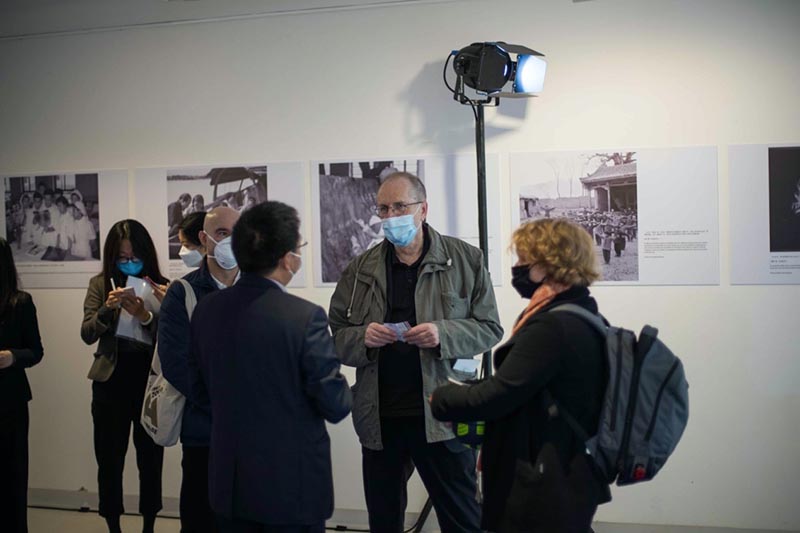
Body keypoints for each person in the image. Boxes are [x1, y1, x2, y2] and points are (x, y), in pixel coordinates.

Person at [328, 172, 503, 533]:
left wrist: (444, 333)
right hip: (380, 417)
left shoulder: (465, 260)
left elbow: (490, 329)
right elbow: (337, 337)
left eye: (400, 206)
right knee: (384, 520)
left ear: (423, 209)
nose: (391, 216)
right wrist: (363, 337)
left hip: (443, 414)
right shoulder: (360, 270)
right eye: (383, 208)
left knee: (463, 518)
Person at [430, 217, 610, 533]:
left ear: (550, 263)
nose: (518, 267)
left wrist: (442, 397)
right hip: (565, 469)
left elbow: (500, 394)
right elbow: (526, 385)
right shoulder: (584, 314)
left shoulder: (553, 327)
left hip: (541, 476)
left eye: (525, 260)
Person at [190, 201, 352, 532]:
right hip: (291, 489)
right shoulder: (304, 318)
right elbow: (334, 405)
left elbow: (199, 388)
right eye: (299, 248)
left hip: (230, 485)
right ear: (286, 258)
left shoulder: (207, 310)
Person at [80, 220, 169, 533]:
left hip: (149, 385)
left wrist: (144, 315)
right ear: (111, 256)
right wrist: (108, 309)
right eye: (122, 256)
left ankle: (149, 524)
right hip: (110, 384)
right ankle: (113, 525)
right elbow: (87, 333)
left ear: (146, 253)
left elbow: (170, 339)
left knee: (150, 461)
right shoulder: (99, 284)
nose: (129, 261)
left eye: (135, 255)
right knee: (109, 460)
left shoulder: (162, 285)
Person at [158, 207, 239, 533]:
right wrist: (222, 404)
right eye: (222, 234)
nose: (231, 241)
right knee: (201, 518)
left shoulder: (262, 289)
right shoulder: (183, 293)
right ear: (204, 239)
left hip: (252, 436)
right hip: (203, 432)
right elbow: (176, 363)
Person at [0, 238, 44, 533]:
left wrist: (12, 356)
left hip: (9, 400)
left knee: (12, 475)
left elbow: (36, 351)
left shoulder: (20, 302)